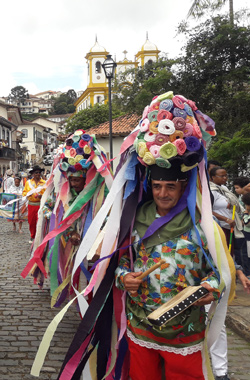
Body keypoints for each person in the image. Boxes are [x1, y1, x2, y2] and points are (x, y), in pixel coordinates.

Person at [49, 91, 234, 380]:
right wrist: (125, 278)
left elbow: (218, 275)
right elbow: (122, 263)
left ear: (183, 187)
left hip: (184, 330)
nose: (163, 193)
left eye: (171, 187)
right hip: (140, 325)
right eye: (158, 186)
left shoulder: (202, 226)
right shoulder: (134, 221)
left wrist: (209, 289)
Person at [21, 130, 113, 307]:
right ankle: (67, 287)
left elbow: (107, 216)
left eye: (78, 180)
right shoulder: (60, 193)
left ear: (86, 179)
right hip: (66, 241)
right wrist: (64, 227)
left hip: (89, 242)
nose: (74, 184)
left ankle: (87, 294)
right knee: (66, 267)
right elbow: (48, 209)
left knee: (87, 270)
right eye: (71, 180)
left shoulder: (98, 195)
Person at [209, 167, 250, 276]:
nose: (225, 178)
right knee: (223, 253)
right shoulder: (210, 191)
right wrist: (226, 219)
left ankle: (232, 276)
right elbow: (206, 210)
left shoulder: (224, 189)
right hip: (220, 227)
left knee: (230, 253)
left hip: (231, 226)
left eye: (226, 175)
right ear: (213, 177)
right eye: (222, 176)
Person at [22, 165, 46, 244]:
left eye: (39, 172)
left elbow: (47, 194)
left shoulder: (44, 183)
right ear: (33, 174)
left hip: (40, 205)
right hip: (31, 205)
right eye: (36, 173)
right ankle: (32, 236)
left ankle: (39, 237)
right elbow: (24, 192)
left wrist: (41, 196)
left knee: (40, 221)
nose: (38, 174)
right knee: (31, 222)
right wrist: (27, 194)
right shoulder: (28, 183)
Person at [242, 192, 250, 270]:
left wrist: (245, 214)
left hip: (249, 235)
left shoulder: (247, 213)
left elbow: (246, 223)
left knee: (249, 254)